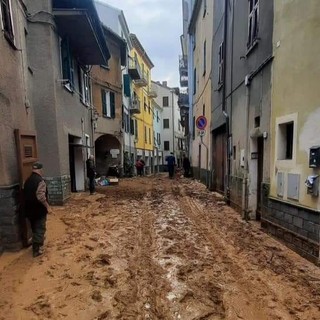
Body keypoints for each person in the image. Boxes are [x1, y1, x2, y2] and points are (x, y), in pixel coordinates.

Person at [24, 162, 50, 257]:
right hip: (39, 210)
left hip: (29, 210)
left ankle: (35, 243)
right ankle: (37, 249)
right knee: (40, 228)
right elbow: (41, 196)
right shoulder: (40, 181)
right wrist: (47, 206)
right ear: (40, 169)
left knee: (34, 228)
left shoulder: (28, 180)